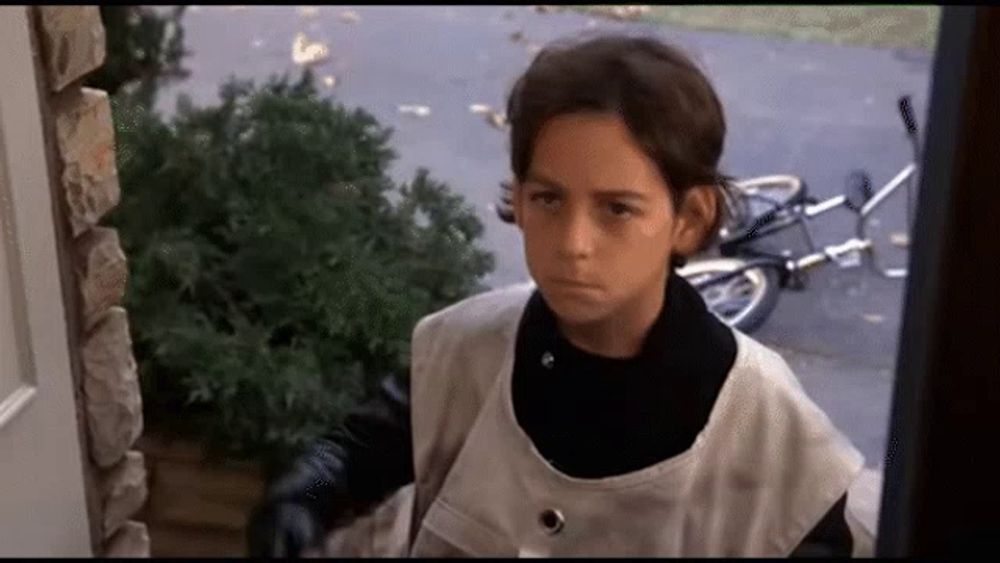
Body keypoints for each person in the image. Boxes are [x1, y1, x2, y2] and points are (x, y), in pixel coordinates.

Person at [247, 33, 869, 558]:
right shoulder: (464, 352)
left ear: (690, 218)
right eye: (548, 199)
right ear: (517, 198)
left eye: (617, 209)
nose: (573, 243)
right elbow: (354, 453)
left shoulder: (765, 426)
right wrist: (301, 498)